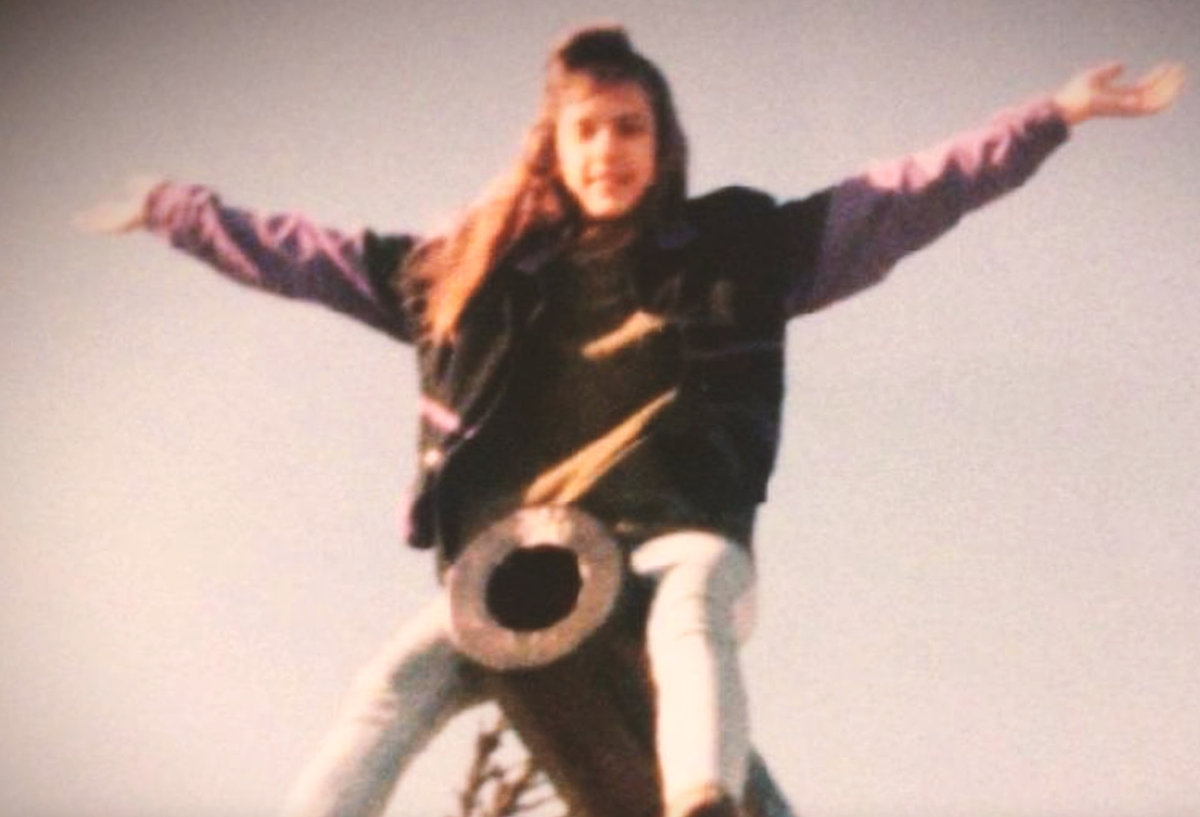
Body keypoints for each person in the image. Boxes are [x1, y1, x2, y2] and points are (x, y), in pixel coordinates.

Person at [77, 25, 1184, 817]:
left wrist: (1052, 117)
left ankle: (702, 798)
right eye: (591, 130)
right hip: (518, 564)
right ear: (556, 150)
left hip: (677, 532)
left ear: (663, 143)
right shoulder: (472, 278)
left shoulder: (737, 251)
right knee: (394, 685)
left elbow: (900, 197)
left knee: (692, 601)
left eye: (632, 127)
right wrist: (176, 209)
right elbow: (306, 254)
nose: (611, 149)